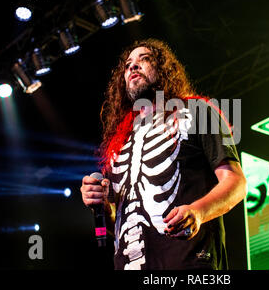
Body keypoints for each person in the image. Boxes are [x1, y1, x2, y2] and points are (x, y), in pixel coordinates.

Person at [80, 38, 246, 270]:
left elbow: (236, 182)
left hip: (187, 263)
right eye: (128, 65)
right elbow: (119, 223)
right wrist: (103, 207)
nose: (132, 67)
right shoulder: (118, 142)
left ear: (165, 70)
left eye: (144, 59)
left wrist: (198, 211)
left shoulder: (199, 111)